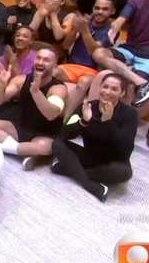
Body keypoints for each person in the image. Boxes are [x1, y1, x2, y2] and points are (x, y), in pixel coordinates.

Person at [51, 73, 136, 202]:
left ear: (122, 93)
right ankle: (89, 184)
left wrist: (108, 122)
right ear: (100, 88)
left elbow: (125, 151)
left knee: (124, 173)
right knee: (57, 143)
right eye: (105, 87)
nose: (107, 92)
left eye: (114, 89)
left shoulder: (130, 114)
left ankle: (70, 170)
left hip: (112, 162)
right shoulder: (87, 107)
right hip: (89, 156)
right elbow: (65, 134)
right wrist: (84, 121)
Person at [0, 47, 67, 170]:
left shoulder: (59, 88)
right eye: (38, 58)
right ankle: (26, 152)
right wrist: (2, 85)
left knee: (46, 146)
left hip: (44, 135)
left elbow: (51, 114)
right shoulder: (21, 80)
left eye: (46, 60)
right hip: (20, 128)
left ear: (54, 66)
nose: (40, 62)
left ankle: (7, 147)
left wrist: (36, 92)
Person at [57, 0, 117, 116]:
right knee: (51, 72)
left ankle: (65, 121)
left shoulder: (112, 29)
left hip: (92, 71)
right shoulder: (84, 22)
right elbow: (65, 46)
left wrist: (84, 30)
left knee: (83, 82)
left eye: (105, 9)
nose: (99, 12)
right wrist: (74, 29)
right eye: (97, 8)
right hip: (71, 66)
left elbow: (94, 51)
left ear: (112, 11)